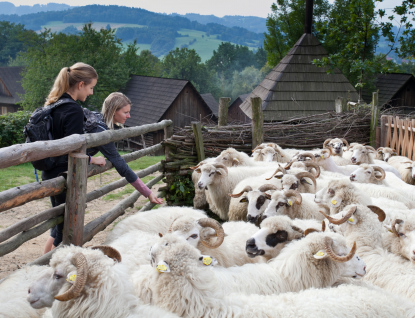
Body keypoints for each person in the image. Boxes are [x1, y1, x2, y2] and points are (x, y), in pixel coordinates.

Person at [43, 62, 98, 254]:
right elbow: (73, 149)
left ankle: (46, 264)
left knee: (58, 225)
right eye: (91, 88)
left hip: (48, 172)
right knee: (65, 228)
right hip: (63, 173)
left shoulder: (54, 104)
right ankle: (52, 269)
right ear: (81, 85)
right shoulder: (73, 109)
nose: (91, 93)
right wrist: (92, 160)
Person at [86, 91, 163, 206]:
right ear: (113, 111)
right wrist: (148, 193)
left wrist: (89, 159)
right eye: (125, 112)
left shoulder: (98, 120)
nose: (129, 116)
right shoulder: (101, 132)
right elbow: (120, 164)